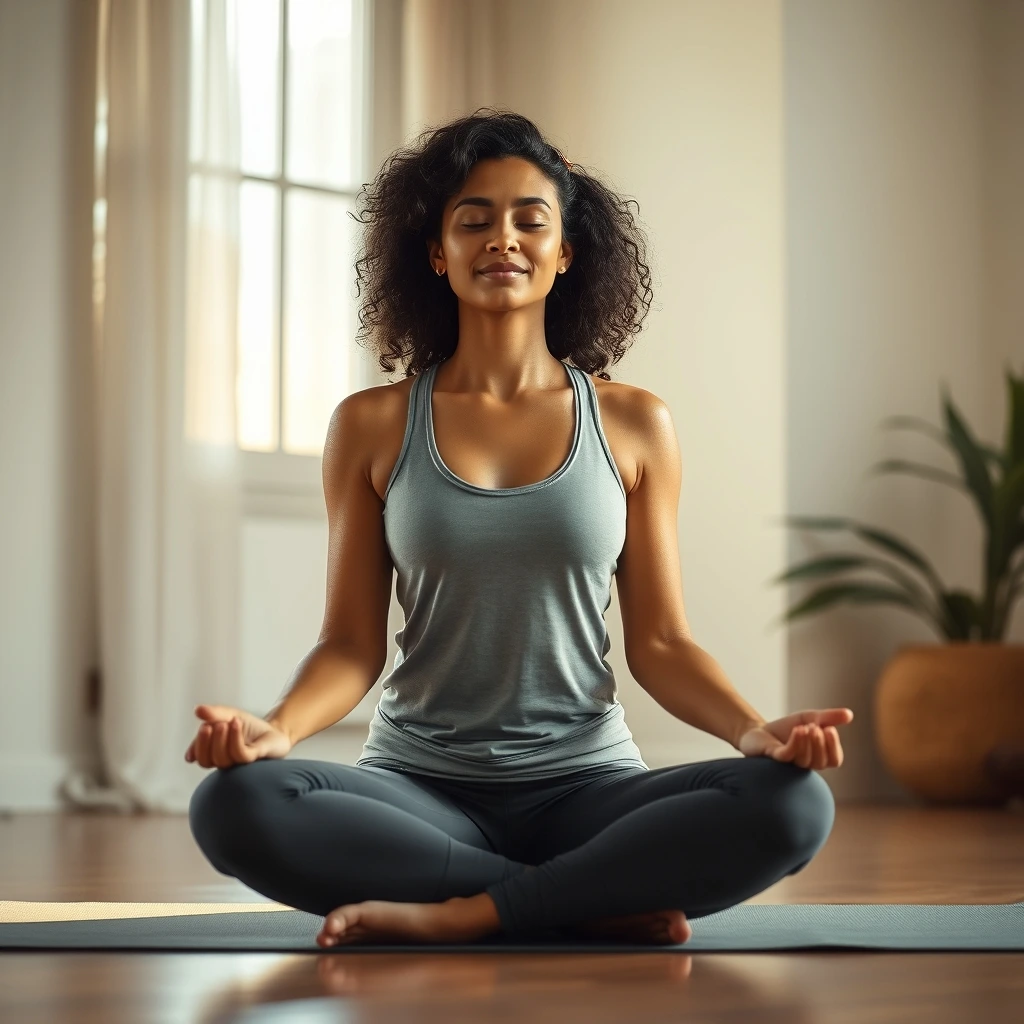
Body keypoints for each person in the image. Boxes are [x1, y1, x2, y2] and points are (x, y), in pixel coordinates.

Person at [187, 108, 851, 948]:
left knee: (793, 803)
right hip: (420, 792)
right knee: (236, 803)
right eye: (474, 220)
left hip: (591, 790)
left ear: (565, 253)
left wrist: (756, 731)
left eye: (530, 220)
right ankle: (584, 902)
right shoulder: (372, 424)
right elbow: (352, 646)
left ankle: (469, 913)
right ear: (437, 252)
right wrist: (274, 729)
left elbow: (663, 645)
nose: (503, 237)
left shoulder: (635, 424)